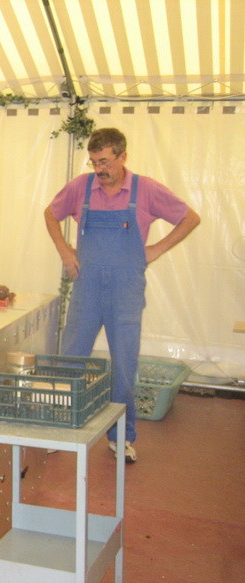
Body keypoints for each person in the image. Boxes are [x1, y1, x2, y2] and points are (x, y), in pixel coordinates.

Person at [44, 128, 200, 463]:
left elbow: (190, 218)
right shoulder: (81, 187)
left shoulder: (146, 190)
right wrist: (64, 250)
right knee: (70, 358)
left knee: (124, 366)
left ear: (123, 156)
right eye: (93, 162)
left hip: (125, 290)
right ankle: (57, 428)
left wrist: (156, 249)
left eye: (104, 162)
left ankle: (121, 437)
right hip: (87, 287)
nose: (99, 169)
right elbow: (50, 214)